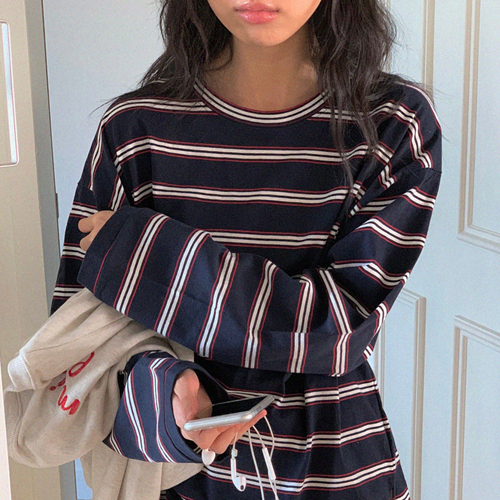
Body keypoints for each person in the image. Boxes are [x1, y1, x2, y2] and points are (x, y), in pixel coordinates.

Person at [51, 0, 441, 498]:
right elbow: (75, 347)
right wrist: (164, 392)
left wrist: (148, 257)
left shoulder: (392, 125)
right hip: (179, 479)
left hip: (333, 470)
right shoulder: (133, 130)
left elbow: (338, 330)